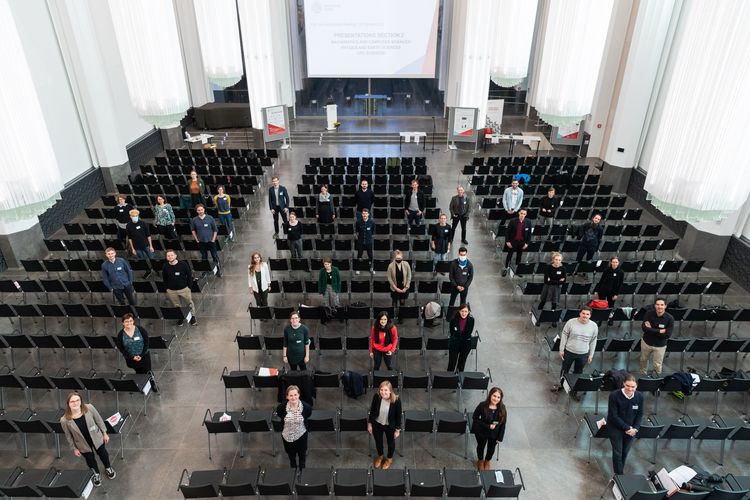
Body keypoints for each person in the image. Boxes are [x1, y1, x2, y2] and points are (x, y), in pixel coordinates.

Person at [60, 393, 115, 487]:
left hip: (97, 437)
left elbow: (99, 420)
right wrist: (74, 448)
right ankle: (96, 474)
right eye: (72, 401)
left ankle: (108, 467)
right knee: (90, 460)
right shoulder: (64, 420)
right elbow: (68, 436)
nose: (75, 403)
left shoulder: (89, 407)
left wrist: (104, 433)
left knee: (103, 454)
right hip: (82, 444)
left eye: (77, 400)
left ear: (81, 401)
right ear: (68, 404)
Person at [551, 306, 598, 399]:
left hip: (583, 354)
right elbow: (564, 336)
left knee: (578, 373)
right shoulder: (571, 322)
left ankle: (574, 390)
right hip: (569, 352)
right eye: (583, 313)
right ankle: (561, 385)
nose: (585, 316)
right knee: (565, 370)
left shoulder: (594, 326)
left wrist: (591, 355)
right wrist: (561, 349)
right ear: (580, 313)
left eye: (587, 314)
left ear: (590, 315)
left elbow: (593, 341)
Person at [607, 374, 643, 475]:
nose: (630, 389)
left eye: (633, 387)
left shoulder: (639, 397)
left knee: (625, 452)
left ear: (636, 386)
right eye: (628, 386)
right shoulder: (614, 395)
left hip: (631, 429)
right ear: (623, 384)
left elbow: (640, 414)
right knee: (618, 452)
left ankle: (619, 473)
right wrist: (627, 427)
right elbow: (613, 416)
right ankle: (619, 477)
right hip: (615, 427)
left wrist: (635, 428)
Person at [367, 380, 402, 470]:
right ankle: (380, 456)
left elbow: (398, 416)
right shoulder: (377, 397)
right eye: (381, 389)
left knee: (390, 443)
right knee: (378, 441)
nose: (383, 392)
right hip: (377, 423)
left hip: (390, 426)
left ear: (390, 391)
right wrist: (370, 423)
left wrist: (398, 430)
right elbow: (372, 410)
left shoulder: (396, 400)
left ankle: (389, 459)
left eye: (386, 390)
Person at [276, 385, 312, 469]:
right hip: (287, 436)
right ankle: (293, 472)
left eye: (295, 395)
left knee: (302, 458)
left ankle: (301, 473)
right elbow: (280, 414)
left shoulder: (306, 407)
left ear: (299, 395)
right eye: (291, 395)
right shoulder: (281, 407)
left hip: (301, 435)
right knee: (292, 458)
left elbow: (308, 414)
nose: (293, 397)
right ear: (287, 396)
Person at [471, 387, 507, 471]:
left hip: (494, 434)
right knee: (481, 447)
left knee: (491, 449)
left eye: (498, 397)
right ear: (490, 395)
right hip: (482, 431)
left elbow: (503, 423)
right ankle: (480, 460)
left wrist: (500, 437)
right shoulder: (482, 405)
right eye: (494, 396)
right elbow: (475, 418)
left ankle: (487, 461)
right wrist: (488, 426)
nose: (496, 399)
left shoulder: (502, 408)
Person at [640, 298, 674, 375]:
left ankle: (657, 378)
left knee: (657, 364)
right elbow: (644, 328)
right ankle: (642, 375)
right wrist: (659, 331)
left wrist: (650, 329)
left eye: (662, 305)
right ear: (655, 306)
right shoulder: (648, 314)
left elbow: (667, 335)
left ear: (665, 306)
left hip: (660, 345)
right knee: (643, 360)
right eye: (657, 304)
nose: (659, 306)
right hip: (646, 343)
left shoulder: (670, 318)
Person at [162, 249, 197, 326]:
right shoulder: (165, 266)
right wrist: (167, 289)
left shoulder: (183, 264)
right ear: (166, 257)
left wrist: (189, 287)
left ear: (175, 256)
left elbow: (189, 275)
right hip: (171, 291)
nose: (170, 257)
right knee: (177, 305)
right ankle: (180, 317)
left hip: (184, 289)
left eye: (171, 255)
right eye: (168, 256)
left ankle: (192, 317)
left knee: (189, 303)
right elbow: (164, 278)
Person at [191, 204, 221, 277]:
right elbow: (193, 230)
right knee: (204, 257)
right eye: (199, 210)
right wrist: (196, 239)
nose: (200, 211)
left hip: (211, 241)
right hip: (201, 242)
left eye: (201, 209)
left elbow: (215, 230)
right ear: (196, 211)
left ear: (204, 209)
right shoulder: (194, 220)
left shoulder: (210, 218)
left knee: (214, 256)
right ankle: (205, 271)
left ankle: (218, 270)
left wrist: (213, 239)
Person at [502, 208, 532, 277]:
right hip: (513, 241)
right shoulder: (513, 221)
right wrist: (507, 241)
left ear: (526, 215)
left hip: (522, 242)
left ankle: (517, 271)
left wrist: (527, 243)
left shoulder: (528, 222)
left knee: (519, 256)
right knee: (509, 255)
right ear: (519, 213)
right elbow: (508, 232)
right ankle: (506, 268)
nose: (522, 215)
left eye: (524, 214)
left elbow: (529, 234)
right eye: (521, 213)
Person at [126, 209, 154, 278]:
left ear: (138, 216)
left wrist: (151, 246)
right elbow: (130, 238)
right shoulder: (128, 225)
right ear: (130, 216)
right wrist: (132, 249)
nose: (134, 217)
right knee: (142, 260)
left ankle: (155, 269)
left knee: (152, 258)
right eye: (133, 216)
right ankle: (148, 271)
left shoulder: (143, 223)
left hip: (146, 245)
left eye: (136, 215)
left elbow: (148, 235)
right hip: (136, 247)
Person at [448, 304, 474, 372]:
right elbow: (451, 331)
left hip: (465, 344)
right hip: (455, 344)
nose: (464, 313)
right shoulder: (453, 319)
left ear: (468, 312)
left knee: (461, 365)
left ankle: (459, 379)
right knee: (451, 364)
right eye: (462, 311)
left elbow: (468, 333)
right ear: (459, 311)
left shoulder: (471, 320)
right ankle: (449, 379)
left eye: (466, 311)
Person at [387, 250, 411, 316]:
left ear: (402, 258)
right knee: (394, 302)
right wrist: (396, 288)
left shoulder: (406, 264)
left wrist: (405, 288)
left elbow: (409, 276)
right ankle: (393, 315)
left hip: (404, 287)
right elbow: (389, 278)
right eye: (397, 258)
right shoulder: (390, 266)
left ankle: (401, 316)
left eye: (400, 258)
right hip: (395, 288)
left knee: (402, 302)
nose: (399, 259)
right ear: (394, 258)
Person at [355, 208, 375, 275]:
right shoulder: (358, 222)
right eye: (363, 214)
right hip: (361, 242)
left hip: (369, 242)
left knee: (370, 256)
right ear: (361, 214)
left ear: (368, 214)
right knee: (359, 256)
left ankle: (371, 268)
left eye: (366, 213)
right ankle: (358, 268)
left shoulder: (372, 222)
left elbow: (373, 232)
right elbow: (357, 231)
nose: (364, 215)